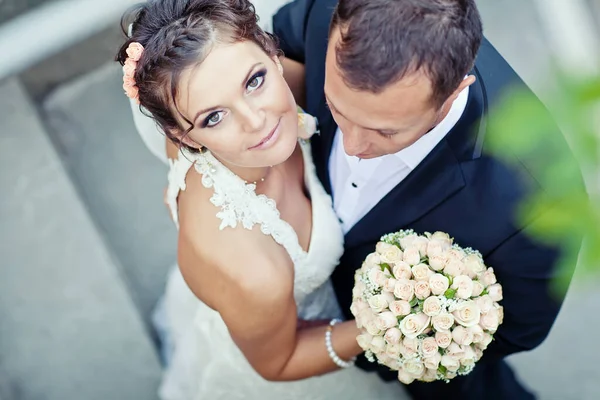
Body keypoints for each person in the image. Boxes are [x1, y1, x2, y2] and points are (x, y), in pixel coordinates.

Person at [272, 0, 583, 399]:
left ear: (455, 92)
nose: (352, 146)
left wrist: (401, 335)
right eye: (337, 108)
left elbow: (518, 331)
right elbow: (280, 44)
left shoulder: (541, 202)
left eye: (385, 132)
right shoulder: (330, 14)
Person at [117, 0, 404, 399]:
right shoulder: (253, 269)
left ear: (272, 52)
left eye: (254, 82)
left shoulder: (256, 78)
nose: (257, 122)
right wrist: (382, 323)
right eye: (213, 117)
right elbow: (278, 362)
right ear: (183, 137)